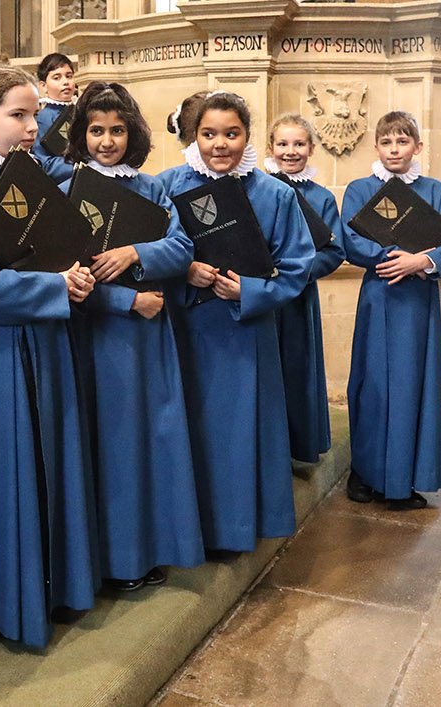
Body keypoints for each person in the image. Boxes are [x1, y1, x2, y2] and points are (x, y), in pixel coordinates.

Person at [0, 64, 99, 648]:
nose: (34, 126)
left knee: (46, 462)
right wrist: (57, 286)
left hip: (39, 337)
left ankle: (50, 586)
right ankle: (7, 603)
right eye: (18, 115)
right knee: (5, 474)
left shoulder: (22, 172)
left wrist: (73, 276)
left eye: (35, 113)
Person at [158, 91, 314, 552]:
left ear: (247, 136)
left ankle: (236, 528)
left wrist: (252, 291)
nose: (219, 144)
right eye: (208, 134)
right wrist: (184, 270)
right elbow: (147, 252)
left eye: (231, 134)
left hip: (246, 333)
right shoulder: (166, 186)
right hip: (186, 329)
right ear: (194, 135)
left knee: (236, 433)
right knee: (190, 428)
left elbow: (298, 266)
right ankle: (189, 529)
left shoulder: (276, 194)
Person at [63, 81, 204, 589]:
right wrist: (127, 298)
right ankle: (116, 561)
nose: (107, 141)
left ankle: (152, 548)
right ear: (81, 134)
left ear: (133, 134)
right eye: (96, 130)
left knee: (154, 442)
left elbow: (183, 247)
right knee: (114, 446)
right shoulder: (68, 192)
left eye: (117, 130)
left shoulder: (151, 189)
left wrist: (136, 254)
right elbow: (63, 275)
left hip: (151, 339)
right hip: (101, 337)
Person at [340, 111, 441, 510]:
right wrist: (391, 256)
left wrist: (421, 263)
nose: (395, 149)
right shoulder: (361, 189)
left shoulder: (433, 190)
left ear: (417, 147)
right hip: (379, 295)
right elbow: (349, 235)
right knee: (373, 385)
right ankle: (363, 472)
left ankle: (402, 480)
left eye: (403, 142)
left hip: (416, 301)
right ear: (376, 146)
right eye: (387, 142)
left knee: (414, 387)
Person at [264, 114, 346, 462]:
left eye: (299, 144)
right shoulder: (260, 188)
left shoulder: (322, 197)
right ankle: (265, 445)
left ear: (311, 149)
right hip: (261, 297)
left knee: (296, 370)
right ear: (270, 148)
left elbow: (334, 250)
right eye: (282, 144)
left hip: (297, 298)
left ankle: (296, 447)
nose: (290, 151)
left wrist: (294, 271)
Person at [31, 52, 78, 175]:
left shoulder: (81, 111)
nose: (65, 82)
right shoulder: (43, 119)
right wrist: (80, 164)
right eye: (57, 78)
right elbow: (43, 163)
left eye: (69, 76)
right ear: (43, 86)